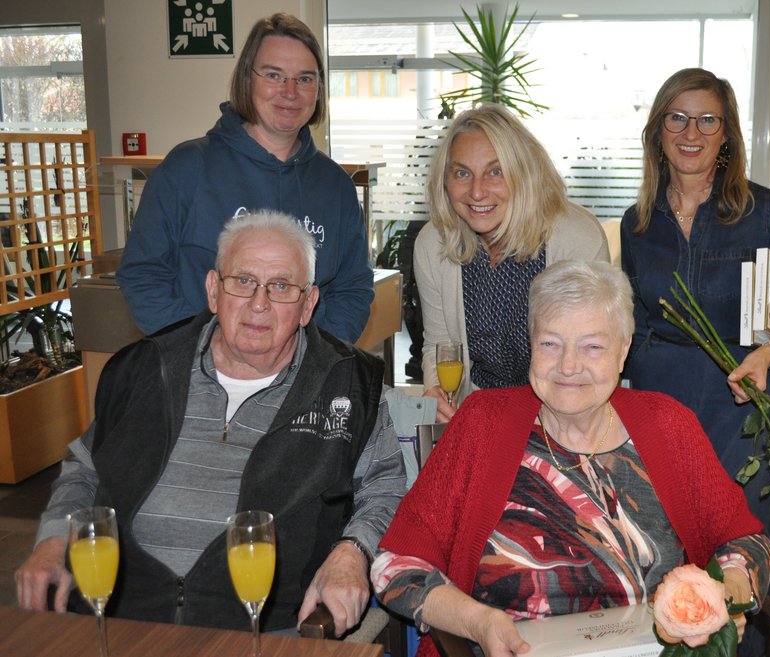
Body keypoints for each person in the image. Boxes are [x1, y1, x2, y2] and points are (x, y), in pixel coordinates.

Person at [15, 211, 405, 638]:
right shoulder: (145, 368)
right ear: (213, 290)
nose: (259, 303)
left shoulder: (349, 383)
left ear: (308, 304)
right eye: (243, 281)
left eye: (281, 286)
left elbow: (385, 489)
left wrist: (352, 552)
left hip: (266, 626)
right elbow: (86, 469)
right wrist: (53, 539)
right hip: (121, 614)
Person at [371, 260, 770, 657]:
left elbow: (748, 542)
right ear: (531, 344)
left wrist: (725, 595)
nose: (568, 366)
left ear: (623, 351)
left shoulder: (668, 424)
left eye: (592, 346)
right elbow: (395, 565)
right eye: (550, 343)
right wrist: (477, 621)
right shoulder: (481, 422)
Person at [619, 68, 770, 610]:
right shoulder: (638, 221)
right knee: (664, 558)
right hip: (658, 411)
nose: (691, 132)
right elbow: (633, 322)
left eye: (707, 120)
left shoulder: (764, 211)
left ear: (726, 134)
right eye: (678, 117)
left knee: (742, 562)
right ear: (658, 129)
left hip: (739, 410)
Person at [116, 13, 373, 342]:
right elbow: (142, 275)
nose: (290, 91)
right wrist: (205, 351)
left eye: (305, 78)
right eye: (273, 75)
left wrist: (312, 359)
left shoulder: (336, 187)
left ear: (319, 90)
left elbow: (352, 289)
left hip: (305, 370)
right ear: (247, 79)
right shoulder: (186, 168)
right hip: (196, 365)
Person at [415, 103, 609, 422]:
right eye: (462, 173)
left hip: (560, 417)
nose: (477, 192)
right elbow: (439, 345)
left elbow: (592, 358)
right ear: (445, 180)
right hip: (475, 413)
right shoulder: (432, 244)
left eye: (495, 172)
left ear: (524, 174)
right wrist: (437, 395)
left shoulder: (578, 240)